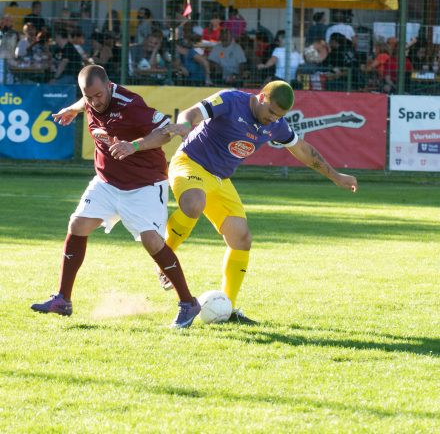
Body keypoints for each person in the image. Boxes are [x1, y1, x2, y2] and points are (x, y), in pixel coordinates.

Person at [152, 81, 358, 324]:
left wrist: (336, 176)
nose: (273, 119)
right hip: (190, 163)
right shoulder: (231, 100)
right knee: (194, 202)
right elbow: (193, 112)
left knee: (241, 238)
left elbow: (302, 149)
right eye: (271, 112)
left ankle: (226, 310)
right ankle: (165, 257)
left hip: (220, 179)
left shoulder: (276, 125)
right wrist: (186, 125)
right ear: (261, 97)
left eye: (279, 115)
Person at [31, 65, 201, 329]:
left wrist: (134, 146)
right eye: (89, 97)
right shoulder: (89, 100)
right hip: (107, 182)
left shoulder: (131, 104)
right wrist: (73, 109)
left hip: (144, 183)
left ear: (109, 86)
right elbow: (86, 101)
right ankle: (63, 299)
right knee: (77, 225)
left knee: (152, 242)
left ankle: (188, 302)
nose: (94, 101)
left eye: (98, 95)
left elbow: (166, 131)